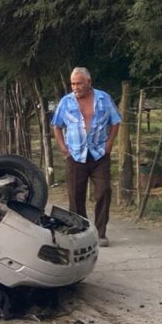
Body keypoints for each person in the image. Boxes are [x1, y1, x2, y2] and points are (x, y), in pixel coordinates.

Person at [52, 67, 121, 247]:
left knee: (104, 191)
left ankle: (101, 233)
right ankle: (80, 233)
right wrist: (63, 147)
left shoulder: (103, 99)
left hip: (99, 154)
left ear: (88, 83)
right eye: (73, 84)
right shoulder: (66, 102)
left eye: (79, 83)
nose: (76, 87)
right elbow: (56, 125)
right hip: (75, 155)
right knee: (76, 195)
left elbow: (115, 121)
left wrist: (110, 143)